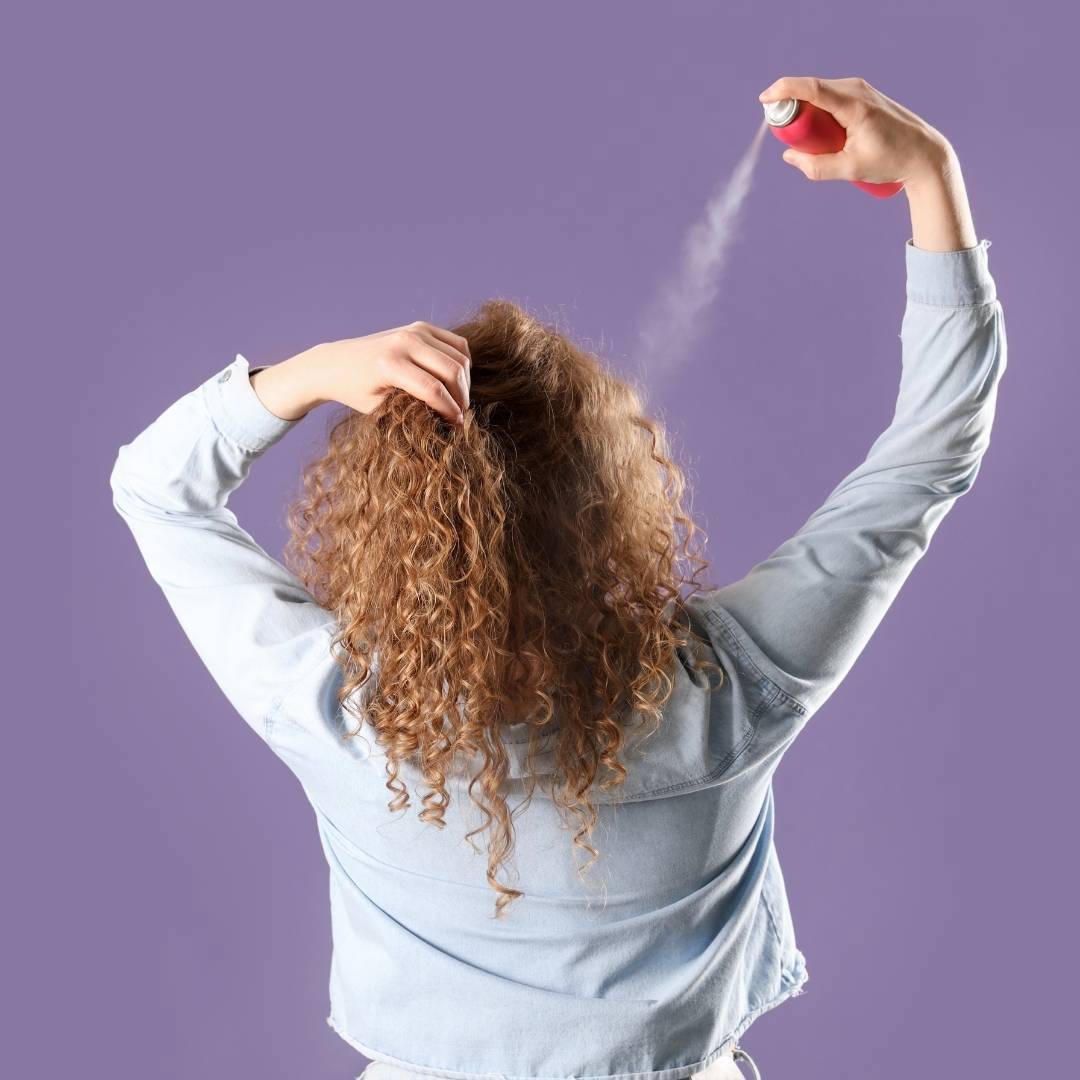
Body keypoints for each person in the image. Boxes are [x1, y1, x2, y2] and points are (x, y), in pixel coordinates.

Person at [109, 75, 1007, 1080]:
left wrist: (310, 372)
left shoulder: (337, 706)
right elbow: (932, 452)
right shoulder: (730, 684)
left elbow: (155, 490)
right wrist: (931, 176)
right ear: (611, 504)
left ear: (389, 520)